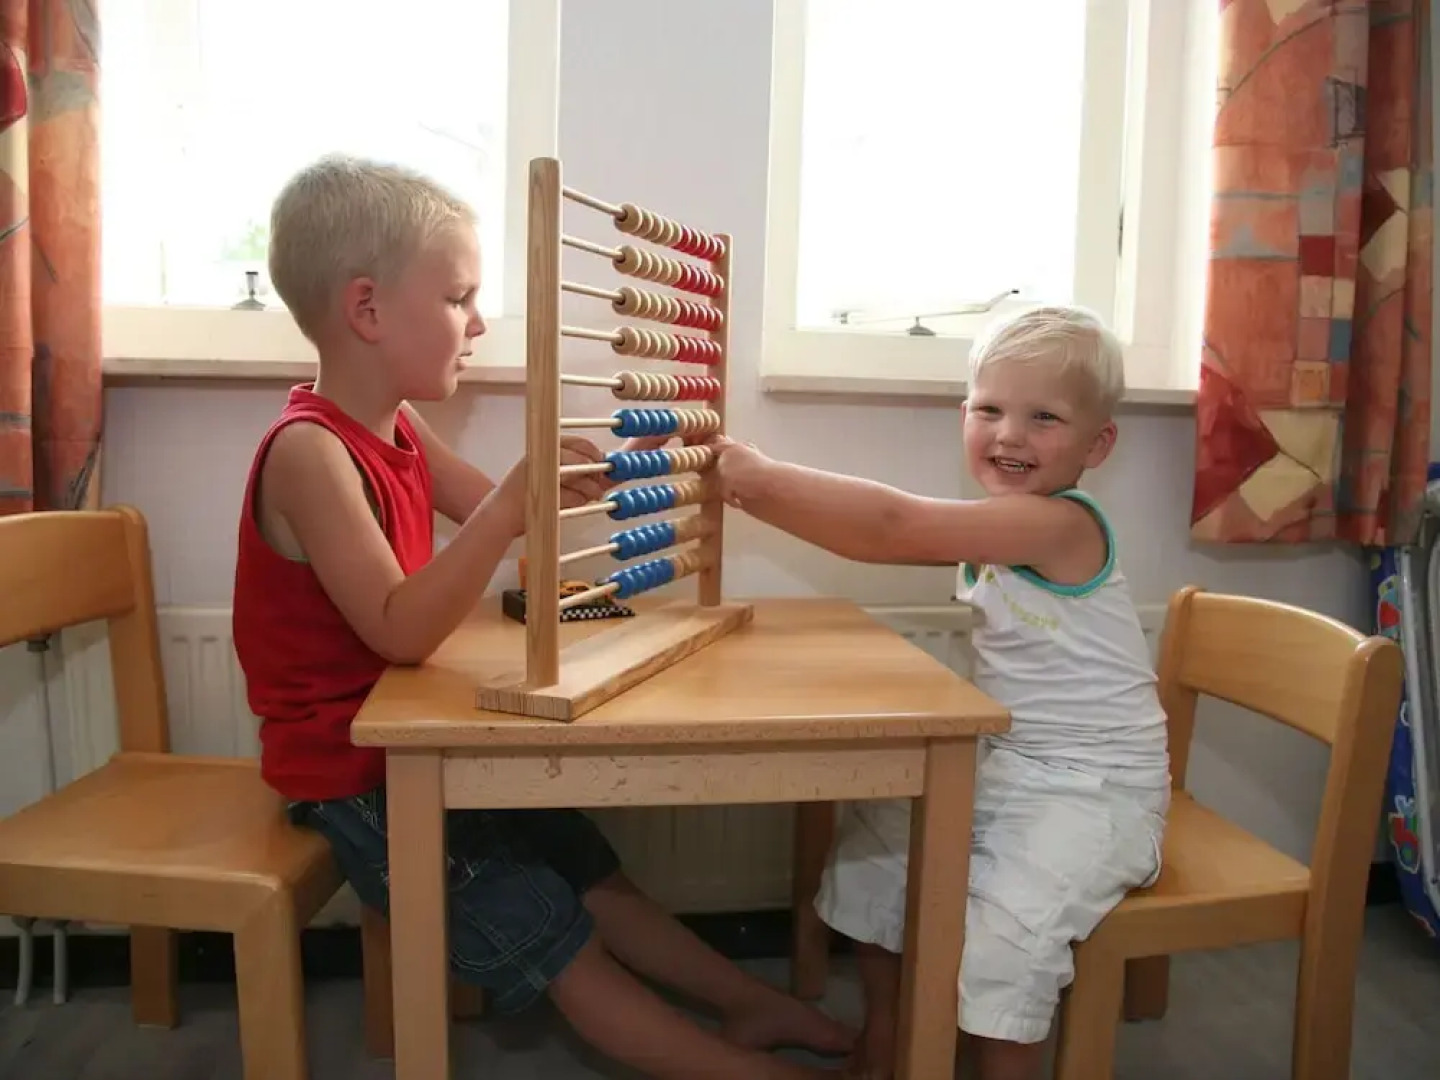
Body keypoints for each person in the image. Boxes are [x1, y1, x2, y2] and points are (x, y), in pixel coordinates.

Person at [230, 154, 853, 1080]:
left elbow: (497, 515)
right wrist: (508, 504)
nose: (478, 323)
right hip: (353, 773)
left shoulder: (396, 426)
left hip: (415, 736)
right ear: (367, 309)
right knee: (557, 937)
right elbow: (400, 628)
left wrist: (555, 486)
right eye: (457, 299)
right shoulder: (308, 455)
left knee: (584, 861)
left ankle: (754, 1006)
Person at [704, 306, 1170, 1080]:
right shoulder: (993, 526)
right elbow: (880, 531)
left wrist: (759, 480)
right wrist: (758, 484)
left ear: (1098, 443)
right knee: (874, 854)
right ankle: (890, 1042)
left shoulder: (1059, 526)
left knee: (1003, 945)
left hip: (1096, 791)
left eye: (1043, 418)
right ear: (964, 416)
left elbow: (891, 526)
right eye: (989, 410)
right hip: (1009, 762)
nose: (1009, 435)